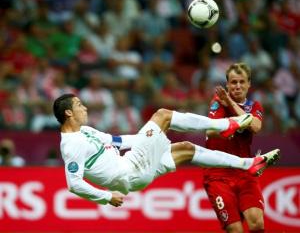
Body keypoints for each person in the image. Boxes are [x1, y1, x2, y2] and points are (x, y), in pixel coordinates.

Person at [53, 93, 279, 207]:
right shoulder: (71, 145)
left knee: (186, 149)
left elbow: (119, 141)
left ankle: (248, 164)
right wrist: (106, 197)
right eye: (80, 105)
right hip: (129, 171)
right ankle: (228, 124)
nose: (85, 108)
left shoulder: (85, 131)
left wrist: (148, 136)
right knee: (163, 115)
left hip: (133, 166)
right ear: (69, 114)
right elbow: (74, 184)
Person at [203, 62, 273, 232]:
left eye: (242, 82)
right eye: (233, 82)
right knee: (235, 230)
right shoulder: (218, 102)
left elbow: (255, 127)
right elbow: (211, 130)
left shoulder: (254, 106)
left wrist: (232, 104)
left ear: (249, 84)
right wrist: (231, 123)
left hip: (244, 172)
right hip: (218, 174)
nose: (238, 86)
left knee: (257, 224)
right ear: (227, 84)